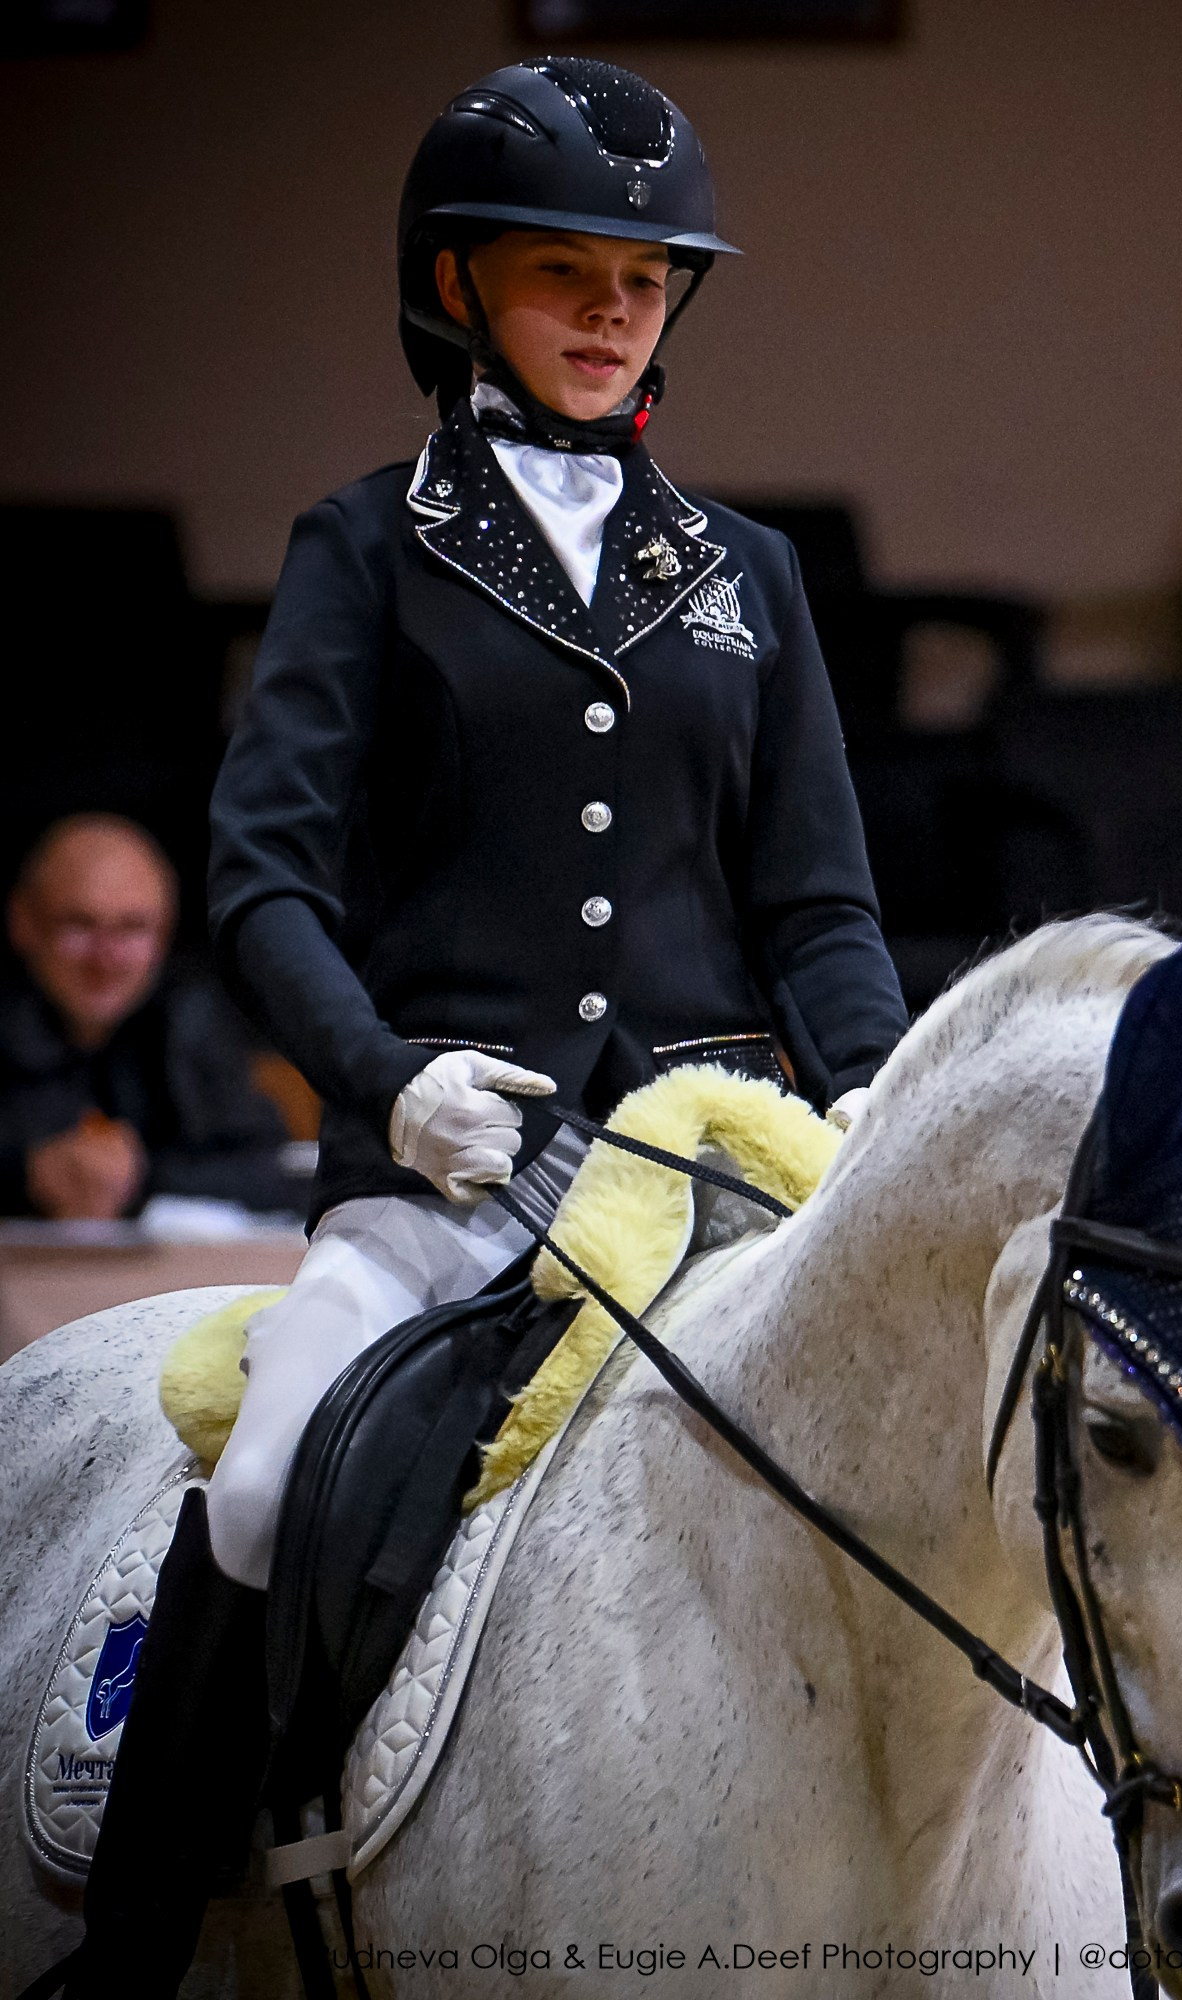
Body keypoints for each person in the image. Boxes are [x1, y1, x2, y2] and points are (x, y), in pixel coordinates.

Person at [47, 59, 907, 1996]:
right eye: (562, 274)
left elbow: (817, 907)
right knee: (265, 1479)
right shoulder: (364, 546)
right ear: (456, 288)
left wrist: (871, 1090)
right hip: (444, 1163)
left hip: (703, 1162)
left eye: (646, 280)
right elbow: (263, 881)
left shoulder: (748, 579)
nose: (614, 313)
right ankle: (146, 1938)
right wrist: (383, 1077)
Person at [0, 814, 296, 1222]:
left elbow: (273, 1170)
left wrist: (139, 1176)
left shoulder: (192, 1020)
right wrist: (25, 1174)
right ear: (23, 922)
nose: (106, 959)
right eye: (79, 924)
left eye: (132, 928)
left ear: (164, 934)